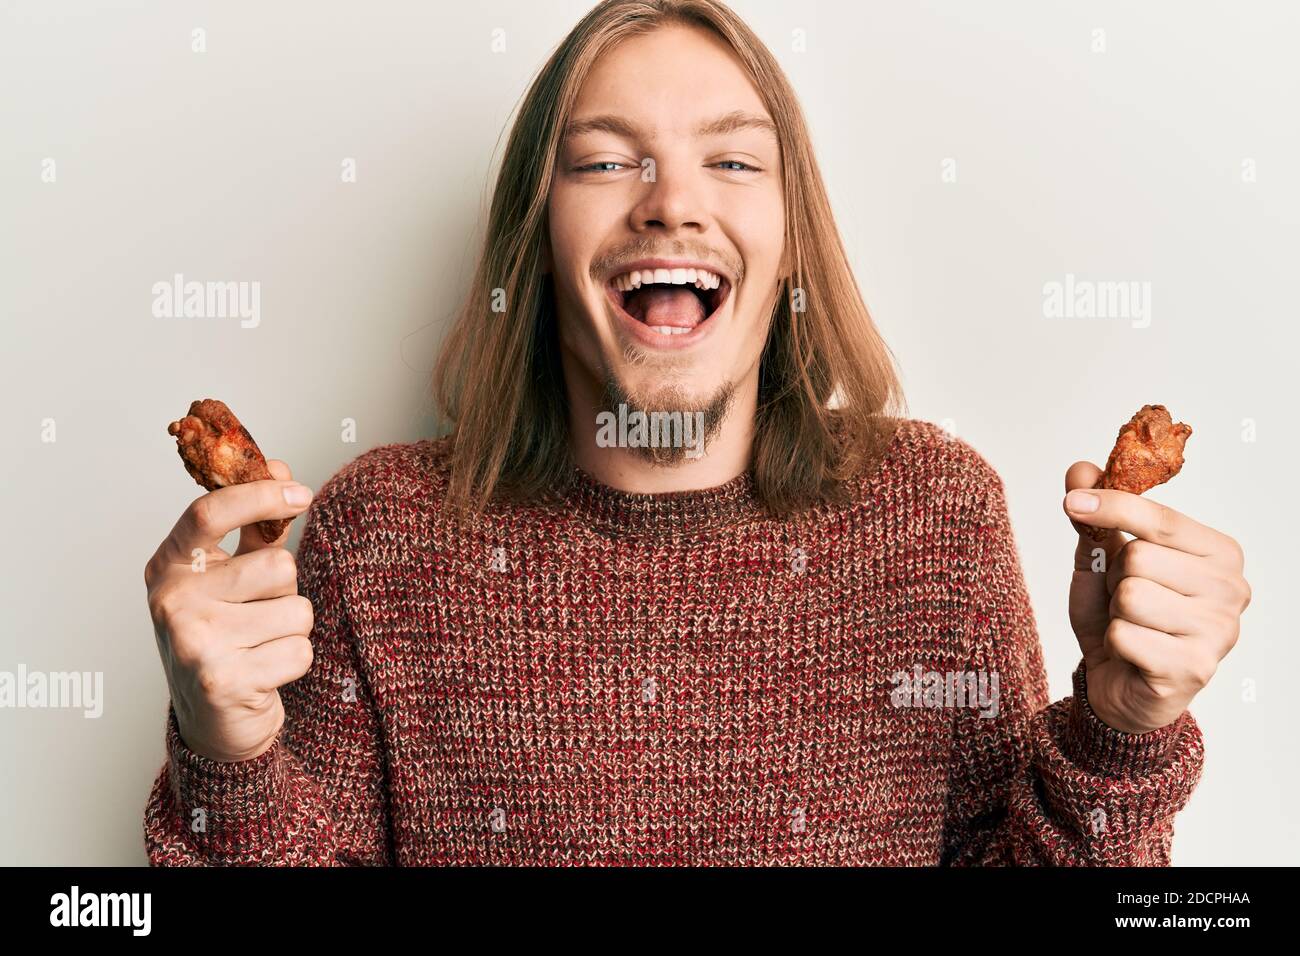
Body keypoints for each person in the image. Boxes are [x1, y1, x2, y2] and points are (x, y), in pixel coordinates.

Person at [142, 0, 1250, 866]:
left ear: (789, 246)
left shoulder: (932, 518)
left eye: (730, 159)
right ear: (536, 241)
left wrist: (1119, 728)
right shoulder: (380, 535)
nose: (669, 202)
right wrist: (225, 757)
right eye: (604, 159)